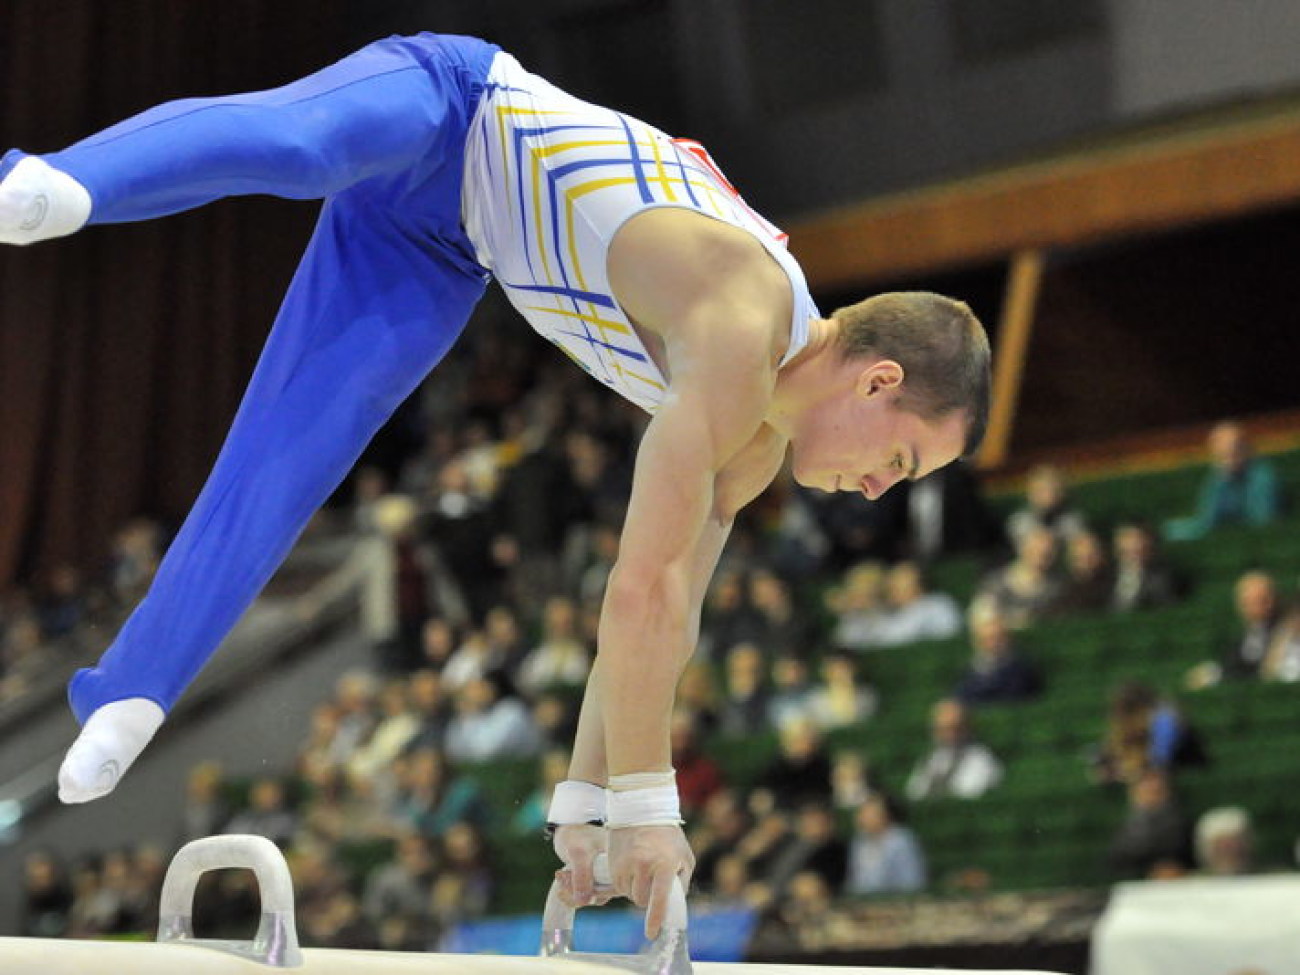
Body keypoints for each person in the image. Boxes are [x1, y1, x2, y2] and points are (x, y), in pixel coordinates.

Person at [10, 32, 990, 934]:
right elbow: (639, 587)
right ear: (878, 380)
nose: (876, 491)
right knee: (301, 146)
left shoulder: (751, 446)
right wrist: (650, 808)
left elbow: (662, 617)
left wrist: (587, 800)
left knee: (290, 461)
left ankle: (133, 685)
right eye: (899, 460)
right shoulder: (741, 326)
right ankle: (45, 184)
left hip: (436, 253)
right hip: (450, 106)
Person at [1164, 421, 1282, 542]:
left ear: (1247, 450)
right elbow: (1206, 519)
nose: (1227, 461)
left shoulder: (1262, 476)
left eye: (1233, 453)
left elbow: (1262, 520)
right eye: (1220, 456)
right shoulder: (1218, 476)